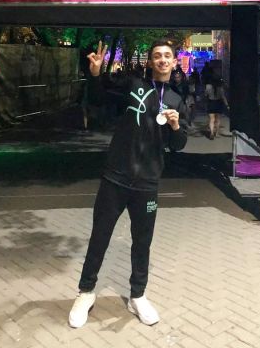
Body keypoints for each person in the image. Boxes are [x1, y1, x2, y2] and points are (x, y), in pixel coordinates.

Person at [69, 39, 188, 328]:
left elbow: (178, 145)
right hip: (116, 177)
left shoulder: (176, 100)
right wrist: (95, 74)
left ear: (174, 63)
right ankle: (86, 292)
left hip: (147, 182)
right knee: (100, 236)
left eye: (167, 56)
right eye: (157, 55)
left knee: (142, 242)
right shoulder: (134, 86)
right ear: (150, 62)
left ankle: (138, 295)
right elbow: (99, 99)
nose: (162, 60)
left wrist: (175, 126)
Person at [205, 75, 229, 140]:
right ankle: (217, 133)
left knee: (211, 119)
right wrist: (227, 105)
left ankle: (211, 132)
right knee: (218, 119)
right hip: (218, 103)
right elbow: (223, 97)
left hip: (211, 103)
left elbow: (205, 95)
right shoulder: (220, 88)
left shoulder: (208, 87)